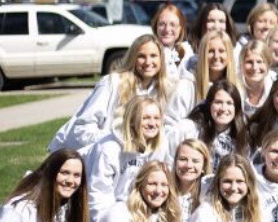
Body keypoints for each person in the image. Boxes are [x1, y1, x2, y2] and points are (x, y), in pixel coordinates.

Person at [50, 33, 190, 152]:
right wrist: (119, 141)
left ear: (161, 60)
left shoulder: (163, 89)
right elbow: (82, 129)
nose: (148, 62)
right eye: (141, 56)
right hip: (78, 152)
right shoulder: (112, 83)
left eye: (153, 56)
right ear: (132, 58)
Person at [82, 95, 172, 221]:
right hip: (103, 214)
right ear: (132, 119)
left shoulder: (161, 145)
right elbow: (98, 194)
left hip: (135, 212)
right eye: (145, 118)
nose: (152, 124)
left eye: (156, 118)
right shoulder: (109, 148)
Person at [178, 80, 249, 174]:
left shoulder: (244, 136)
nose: (223, 108)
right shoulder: (190, 129)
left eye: (229, 103)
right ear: (209, 105)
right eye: (218, 102)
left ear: (236, 107)